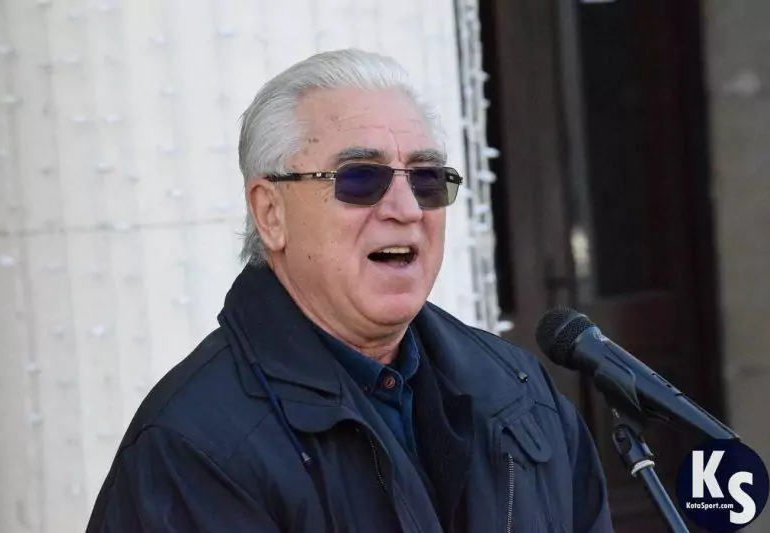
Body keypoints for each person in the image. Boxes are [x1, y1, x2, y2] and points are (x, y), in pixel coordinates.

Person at [86, 48, 613, 532]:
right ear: (271, 214)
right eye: (360, 178)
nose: (407, 209)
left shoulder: (520, 393)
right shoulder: (195, 447)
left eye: (426, 178)